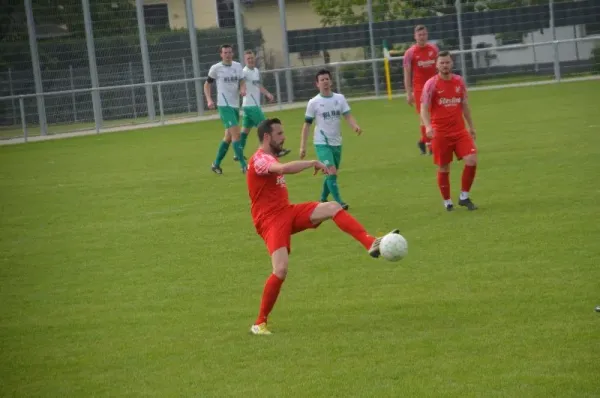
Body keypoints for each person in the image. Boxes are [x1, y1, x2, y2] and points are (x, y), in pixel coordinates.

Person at [247, 117, 399, 335]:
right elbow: (283, 168)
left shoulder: (268, 156)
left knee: (332, 207)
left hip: (286, 212)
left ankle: (370, 243)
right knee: (280, 270)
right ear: (267, 137)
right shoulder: (259, 160)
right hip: (270, 220)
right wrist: (311, 162)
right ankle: (259, 323)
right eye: (280, 134)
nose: (284, 137)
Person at [420, 51, 478, 211]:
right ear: (437, 65)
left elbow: (464, 105)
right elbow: (423, 108)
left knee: (472, 160)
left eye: (447, 62)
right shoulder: (431, 84)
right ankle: (447, 201)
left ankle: (464, 197)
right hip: (440, 133)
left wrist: (471, 126)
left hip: (459, 131)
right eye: (442, 63)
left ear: (452, 64)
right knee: (444, 167)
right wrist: (428, 126)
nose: (445, 65)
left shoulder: (459, 81)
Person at [300, 69, 362, 210]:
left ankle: (322, 199)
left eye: (327, 79)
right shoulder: (314, 102)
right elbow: (306, 125)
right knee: (332, 171)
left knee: (331, 173)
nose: (325, 82)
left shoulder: (339, 99)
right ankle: (339, 202)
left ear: (331, 81)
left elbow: (347, 115)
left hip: (337, 142)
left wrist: (355, 126)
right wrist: (302, 146)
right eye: (322, 80)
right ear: (317, 84)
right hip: (322, 142)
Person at [230, 50, 291, 162]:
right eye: (248, 58)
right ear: (245, 60)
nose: (251, 60)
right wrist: (240, 91)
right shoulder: (244, 72)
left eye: (252, 58)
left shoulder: (256, 71)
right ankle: (277, 150)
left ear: (255, 58)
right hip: (251, 106)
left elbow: (258, 85)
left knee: (244, 132)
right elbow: (238, 83)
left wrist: (267, 93)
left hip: (251, 106)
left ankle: (237, 154)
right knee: (267, 127)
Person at [204, 44, 247, 175]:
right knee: (236, 134)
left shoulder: (237, 66)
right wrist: (209, 100)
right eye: (225, 53)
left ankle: (216, 164)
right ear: (221, 54)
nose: (228, 55)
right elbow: (207, 84)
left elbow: (242, 81)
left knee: (228, 137)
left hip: (234, 105)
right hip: (224, 105)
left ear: (232, 53)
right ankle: (244, 166)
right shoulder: (216, 68)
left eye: (229, 52)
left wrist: (242, 89)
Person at [403, 25, 439, 156]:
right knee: (424, 116)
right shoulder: (410, 53)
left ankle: (423, 141)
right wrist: (408, 92)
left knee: (435, 114)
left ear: (427, 35)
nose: (422, 37)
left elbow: (439, 68)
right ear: (415, 36)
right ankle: (430, 146)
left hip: (434, 86)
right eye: (419, 35)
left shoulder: (434, 49)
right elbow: (407, 73)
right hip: (419, 88)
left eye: (424, 34)